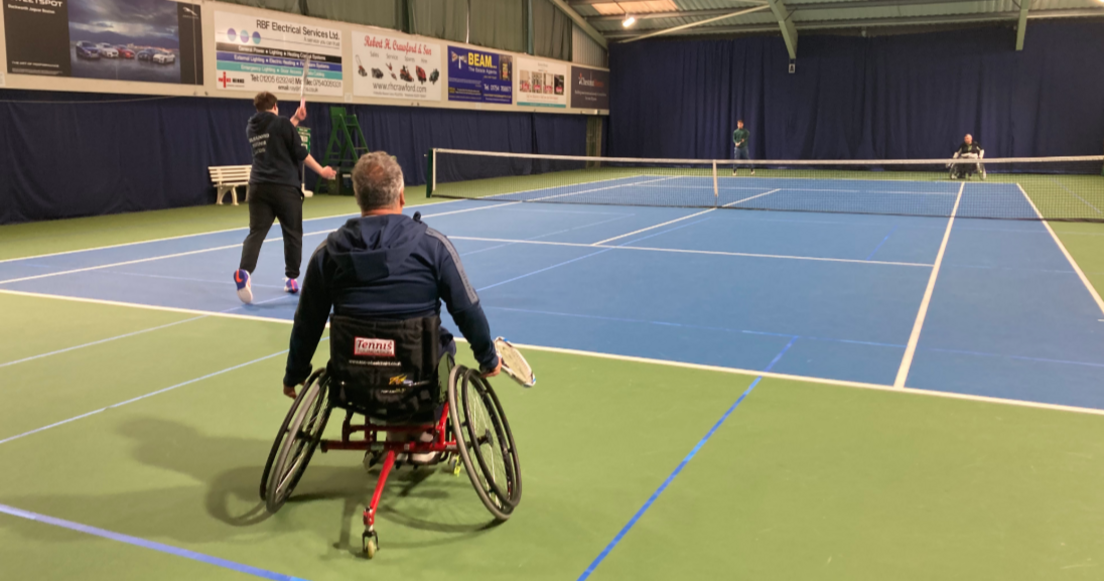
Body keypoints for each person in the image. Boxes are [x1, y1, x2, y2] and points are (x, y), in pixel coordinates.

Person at [281, 151, 501, 462]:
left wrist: (294, 373)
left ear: (359, 198)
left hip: (353, 384)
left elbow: (307, 322)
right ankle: (423, 435)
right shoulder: (434, 245)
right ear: (401, 195)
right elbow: (467, 309)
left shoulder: (326, 253)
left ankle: (393, 432)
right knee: (445, 350)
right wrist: (488, 358)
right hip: (416, 384)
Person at [233, 91, 337, 304]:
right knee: (292, 233)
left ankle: (244, 272)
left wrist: (296, 119)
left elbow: (278, 132)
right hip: (284, 189)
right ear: (275, 106)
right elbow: (300, 152)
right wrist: (322, 171)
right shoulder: (281, 124)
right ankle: (291, 278)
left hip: (258, 188)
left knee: (256, 232)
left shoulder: (252, 127)